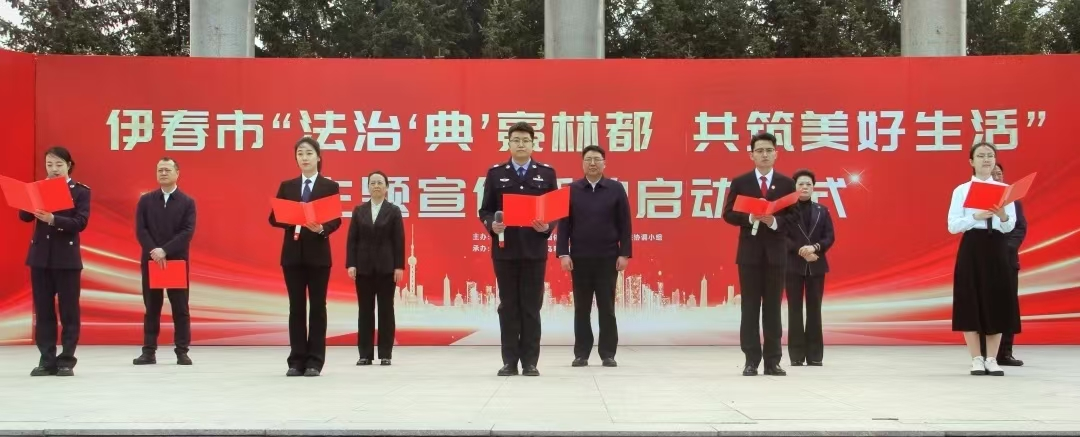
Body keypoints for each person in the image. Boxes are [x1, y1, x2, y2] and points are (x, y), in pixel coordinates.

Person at [478, 121, 558, 377]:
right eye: (516, 140)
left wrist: (547, 226)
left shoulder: (546, 173)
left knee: (531, 307)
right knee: (508, 306)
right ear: (509, 144)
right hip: (505, 251)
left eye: (525, 140)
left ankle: (530, 362)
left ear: (533, 144)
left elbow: (554, 211)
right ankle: (509, 361)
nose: (521, 144)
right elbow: (485, 210)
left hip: (534, 250)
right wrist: (492, 225)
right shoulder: (495, 174)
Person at [721, 132, 796, 377]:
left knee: (773, 308)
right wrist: (750, 217)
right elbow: (728, 214)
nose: (764, 154)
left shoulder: (786, 184)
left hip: (776, 255)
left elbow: (794, 217)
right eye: (760, 150)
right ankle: (751, 360)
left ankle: (773, 361)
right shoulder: (741, 182)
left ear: (776, 153)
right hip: (749, 255)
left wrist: (774, 221)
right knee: (750, 308)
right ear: (751, 155)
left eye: (769, 150)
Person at [268, 137, 342, 377]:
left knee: (318, 308)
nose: (304, 157)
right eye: (300, 153)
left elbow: (336, 220)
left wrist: (321, 228)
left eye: (309, 153)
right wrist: (291, 216)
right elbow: (273, 218)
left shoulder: (329, 186)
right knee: (296, 308)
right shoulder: (287, 186)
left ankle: (315, 361)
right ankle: (296, 360)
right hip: (292, 255)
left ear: (318, 157)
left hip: (318, 255)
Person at [556, 145, 631, 368]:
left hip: (608, 257)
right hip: (579, 258)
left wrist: (624, 253)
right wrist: (563, 253)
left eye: (597, 159)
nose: (592, 163)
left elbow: (625, 224)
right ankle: (581, 353)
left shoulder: (616, 189)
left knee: (607, 308)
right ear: (582, 163)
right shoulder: (571, 189)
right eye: (588, 159)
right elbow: (564, 225)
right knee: (582, 308)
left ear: (604, 163)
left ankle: (608, 353)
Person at [948, 142, 1018, 376]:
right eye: (981, 156)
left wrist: (1002, 215)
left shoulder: (1006, 190)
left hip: (996, 246)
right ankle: (976, 358)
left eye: (990, 155)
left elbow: (1009, 227)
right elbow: (952, 225)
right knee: (970, 299)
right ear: (971, 161)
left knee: (996, 299)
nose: (986, 159)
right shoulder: (961, 190)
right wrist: (976, 216)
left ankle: (992, 359)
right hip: (972, 246)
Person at [20, 146, 91, 377]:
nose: (54, 169)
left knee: (69, 311)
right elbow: (24, 217)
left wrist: (53, 219)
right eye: (49, 164)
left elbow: (80, 223)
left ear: (68, 165)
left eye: (59, 164)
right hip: (40, 258)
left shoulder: (80, 191)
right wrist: (29, 197)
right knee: (44, 311)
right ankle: (46, 359)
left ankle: (66, 360)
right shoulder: (39, 187)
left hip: (67, 260)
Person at [133, 157, 196, 366]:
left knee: (180, 308)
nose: (163, 173)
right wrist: (154, 250)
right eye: (160, 170)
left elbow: (187, 232)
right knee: (152, 307)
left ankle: (182, 351)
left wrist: (165, 250)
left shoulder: (187, 202)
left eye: (167, 170)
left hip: (175, 260)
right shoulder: (146, 200)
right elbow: (141, 230)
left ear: (177, 173)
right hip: (152, 260)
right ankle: (148, 351)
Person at [345, 170, 405, 366]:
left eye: (380, 183)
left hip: (387, 269)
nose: (376, 186)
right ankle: (365, 354)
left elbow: (398, 240)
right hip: (363, 268)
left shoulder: (393, 211)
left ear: (387, 187)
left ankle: (385, 353)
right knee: (365, 311)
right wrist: (351, 263)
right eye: (373, 183)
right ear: (368, 187)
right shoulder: (359, 210)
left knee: (386, 311)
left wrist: (399, 266)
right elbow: (352, 240)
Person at [782, 169, 834, 367]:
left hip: (816, 264)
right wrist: (802, 251)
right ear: (794, 187)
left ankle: (814, 356)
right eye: (801, 184)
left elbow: (829, 237)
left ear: (813, 188)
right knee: (794, 310)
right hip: (792, 266)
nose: (804, 187)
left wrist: (815, 248)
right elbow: (782, 237)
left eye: (808, 184)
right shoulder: (786, 211)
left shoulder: (822, 210)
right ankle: (796, 355)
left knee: (814, 310)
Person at [990, 162, 1027, 366]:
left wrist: (1006, 249)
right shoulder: (977, 201)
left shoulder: (1013, 202)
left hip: (1007, 260)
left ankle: (1004, 353)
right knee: (986, 305)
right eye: (993, 174)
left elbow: (1020, 228)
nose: (997, 177)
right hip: (984, 259)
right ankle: (985, 353)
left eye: (999, 174)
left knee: (1007, 305)